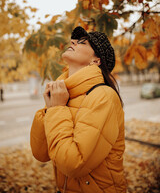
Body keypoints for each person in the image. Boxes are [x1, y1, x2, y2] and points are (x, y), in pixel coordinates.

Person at [30, 26, 126, 193]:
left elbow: (73, 164)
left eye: (82, 42)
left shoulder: (103, 96)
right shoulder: (64, 94)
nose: (72, 41)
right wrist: (49, 110)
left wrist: (57, 109)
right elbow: (41, 154)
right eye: (74, 40)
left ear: (96, 61)